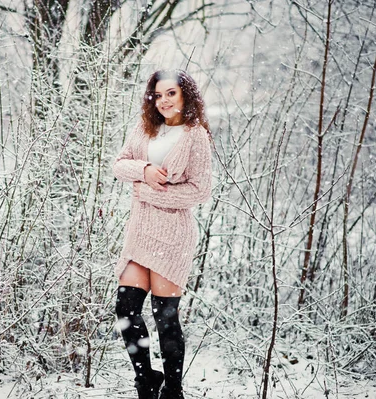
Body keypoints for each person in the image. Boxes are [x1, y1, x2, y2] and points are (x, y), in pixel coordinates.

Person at [112, 69, 212, 399]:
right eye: (158, 94)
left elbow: (200, 190)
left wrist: (149, 192)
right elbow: (119, 164)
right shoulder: (145, 128)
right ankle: (145, 379)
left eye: (171, 93)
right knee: (126, 307)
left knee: (164, 316)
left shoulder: (195, 135)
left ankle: (173, 390)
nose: (164, 100)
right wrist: (145, 170)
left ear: (185, 95)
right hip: (140, 231)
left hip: (173, 235)